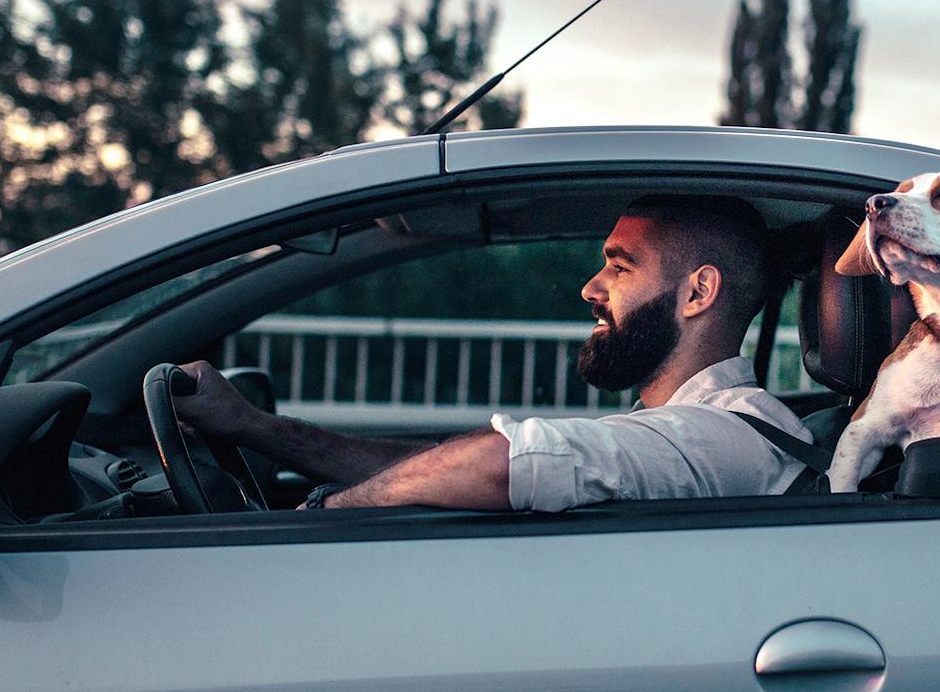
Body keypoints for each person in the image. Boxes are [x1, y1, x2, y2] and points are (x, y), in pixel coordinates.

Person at [173, 195, 814, 512]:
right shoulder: (685, 429)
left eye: (620, 268)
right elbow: (432, 466)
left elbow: (506, 461)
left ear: (698, 292)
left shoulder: (729, 435)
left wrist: (321, 517)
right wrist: (251, 427)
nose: (590, 289)